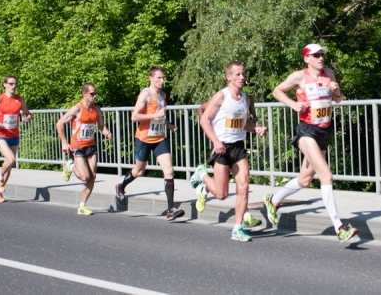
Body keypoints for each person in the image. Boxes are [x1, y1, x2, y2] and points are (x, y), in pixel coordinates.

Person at [264, 44, 358, 243]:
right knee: (326, 175)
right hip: (306, 131)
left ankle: (273, 200)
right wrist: (293, 104)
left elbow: (338, 100)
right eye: (316, 55)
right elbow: (277, 91)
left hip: (324, 131)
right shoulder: (299, 76)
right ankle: (339, 227)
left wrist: (336, 91)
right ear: (307, 58)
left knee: (305, 180)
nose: (320, 58)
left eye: (322, 54)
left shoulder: (329, 73)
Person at [190, 61, 268, 242]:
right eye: (238, 74)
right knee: (221, 194)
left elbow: (243, 123)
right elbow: (204, 120)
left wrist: (255, 129)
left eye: (243, 74)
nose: (242, 77)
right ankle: (202, 176)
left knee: (244, 186)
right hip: (222, 147)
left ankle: (238, 228)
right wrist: (216, 141)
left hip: (238, 146)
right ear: (228, 77)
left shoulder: (246, 99)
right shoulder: (221, 96)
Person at [115, 66, 185, 221]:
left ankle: (171, 210)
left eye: (163, 78)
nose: (162, 81)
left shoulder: (163, 95)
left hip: (159, 138)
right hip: (144, 139)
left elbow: (160, 116)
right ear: (151, 78)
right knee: (139, 171)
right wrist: (154, 114)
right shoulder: (145, 95)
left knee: (169, 170)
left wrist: (169, 125)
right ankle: (121, 187)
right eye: (159, 78)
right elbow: (134, 117)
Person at [56, 83, 112, 215]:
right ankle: (70, 167)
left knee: (92, 176)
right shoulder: (77, 109)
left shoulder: (97, 109)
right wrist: (64, 142)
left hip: (90, 145)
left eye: (95, 93)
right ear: (84, 94)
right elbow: (59, 123)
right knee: (84, 176)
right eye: (92, 94)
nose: (95, 96)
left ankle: (82, 206)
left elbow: (101, 126)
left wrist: (106, 132)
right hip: (78, 146)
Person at [0, 75, 32, 203]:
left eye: (15, 84)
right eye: (10, 83)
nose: (13, 86)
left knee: (9, 164)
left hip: (13, 134)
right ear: (5, 85)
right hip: (0, 134)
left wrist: (27, 117)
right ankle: (0, 176)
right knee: (11, 159)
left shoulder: (19, 99)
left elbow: (27, 113)